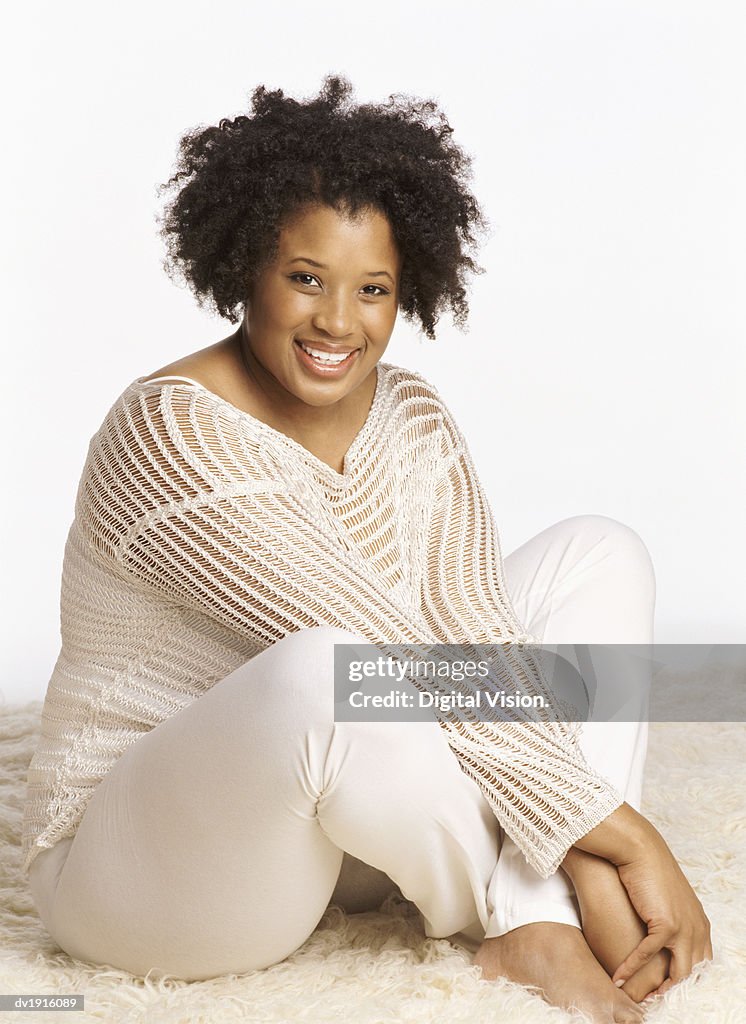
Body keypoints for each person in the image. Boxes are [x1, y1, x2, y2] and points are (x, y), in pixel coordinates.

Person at [22, 76, 711, 1024]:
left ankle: (532, 909)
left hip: (343, 835)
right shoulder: (168, 435)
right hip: (145, 872)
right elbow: (380, 651)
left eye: (373, 289)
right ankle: (538, 921)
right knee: (334, 667)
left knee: (598, 553)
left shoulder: (414, 415)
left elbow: (468, 636)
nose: (339, 323)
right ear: (243, 269)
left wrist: (581, 832)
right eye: (305, 277)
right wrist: (620, 838)